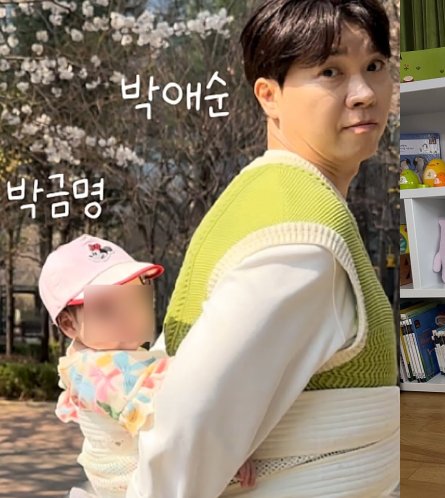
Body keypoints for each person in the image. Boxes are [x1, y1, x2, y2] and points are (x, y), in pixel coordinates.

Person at [124, 1, 399, 496]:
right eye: (331, 71)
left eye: (375, 65)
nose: (364, 93)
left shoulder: (257, 198)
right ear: (269, 95)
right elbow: (186, 426)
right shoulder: (301, 236)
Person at [39, 235, 257, 498]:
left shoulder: (101, 355)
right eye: (106, 309)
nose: (128, 316)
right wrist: (226, 448)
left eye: (134, 301)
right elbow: (176, 413)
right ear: (68, 324)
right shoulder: (100, 371)